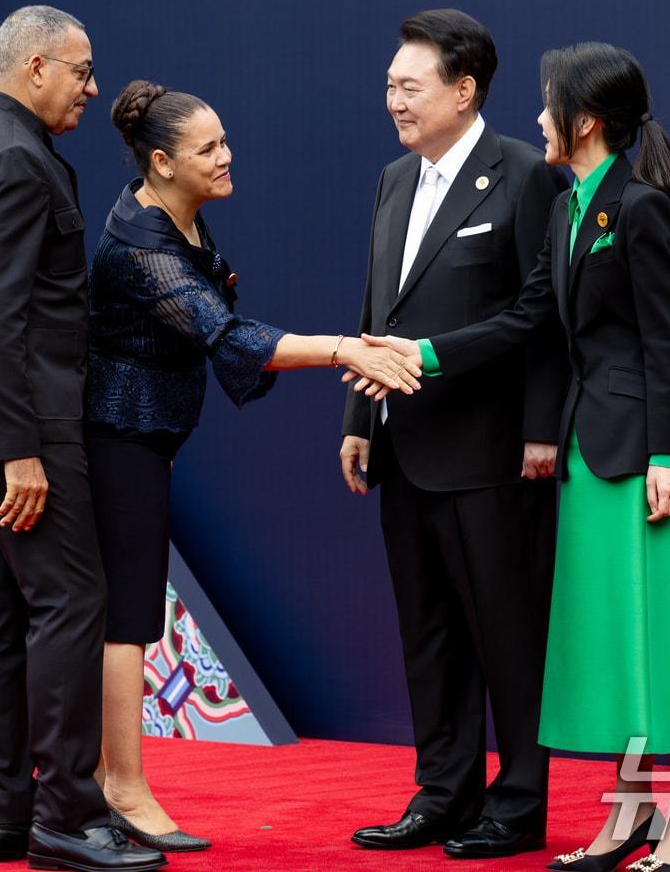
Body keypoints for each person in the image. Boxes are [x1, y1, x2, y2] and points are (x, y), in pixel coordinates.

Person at [359, 41, 670, 872]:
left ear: (584, 121)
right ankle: (630, 815)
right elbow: (533, 323)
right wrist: (430, 358)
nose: (536, 117)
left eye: (549, 104)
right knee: (607, 641)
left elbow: (669, 345)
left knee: (654, 636)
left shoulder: (638, 208)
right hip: (588, 459)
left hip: (640, 457)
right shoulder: (568, 208)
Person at [86, 79, 424, 853]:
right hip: (117, 434)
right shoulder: (141, 247)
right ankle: (123, 786)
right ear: (164, 162)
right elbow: (230, 337)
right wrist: (347, 346)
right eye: (209, 149)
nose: (227, 156)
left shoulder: (178, 220)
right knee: (129, 614)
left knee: (130, 607)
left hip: (147, 433)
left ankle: (112, 779)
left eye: (225, 139)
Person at [0, 6, 164, 872]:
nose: (94, 90)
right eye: (81, 71)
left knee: (0, 609)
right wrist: (22, 445)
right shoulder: (18, 159)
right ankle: (67, 815)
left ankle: (3, 819)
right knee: (67, 603)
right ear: (34, 68)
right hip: (22, 426)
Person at [339, 9, 569, 859]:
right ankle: (443, 793)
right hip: (404, 446)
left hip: (495, 449)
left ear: (464, 89)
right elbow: (378, 308)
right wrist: (362, 415)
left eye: (411, 85)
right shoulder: (394, 179)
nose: (394, 99)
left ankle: (519, 803)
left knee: (506, 633)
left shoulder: (521, 174)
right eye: (391, 85)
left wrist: (541, 431)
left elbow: (544, 317)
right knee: (427, 632)